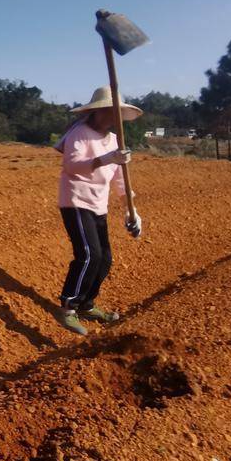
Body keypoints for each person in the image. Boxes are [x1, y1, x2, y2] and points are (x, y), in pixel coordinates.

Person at [53, 86, 143, 336]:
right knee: (88, 254)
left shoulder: (115, 140)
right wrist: (107, 159)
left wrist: (131, 210)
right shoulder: (80, 133)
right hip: (76, 201)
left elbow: (120, 179)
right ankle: (68, 307)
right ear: (97, 112)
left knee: (104, 258)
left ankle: (87, 304)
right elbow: (72, 166)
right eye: (110, 112)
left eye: (117, 113)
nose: (114, 118)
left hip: (98, 205)